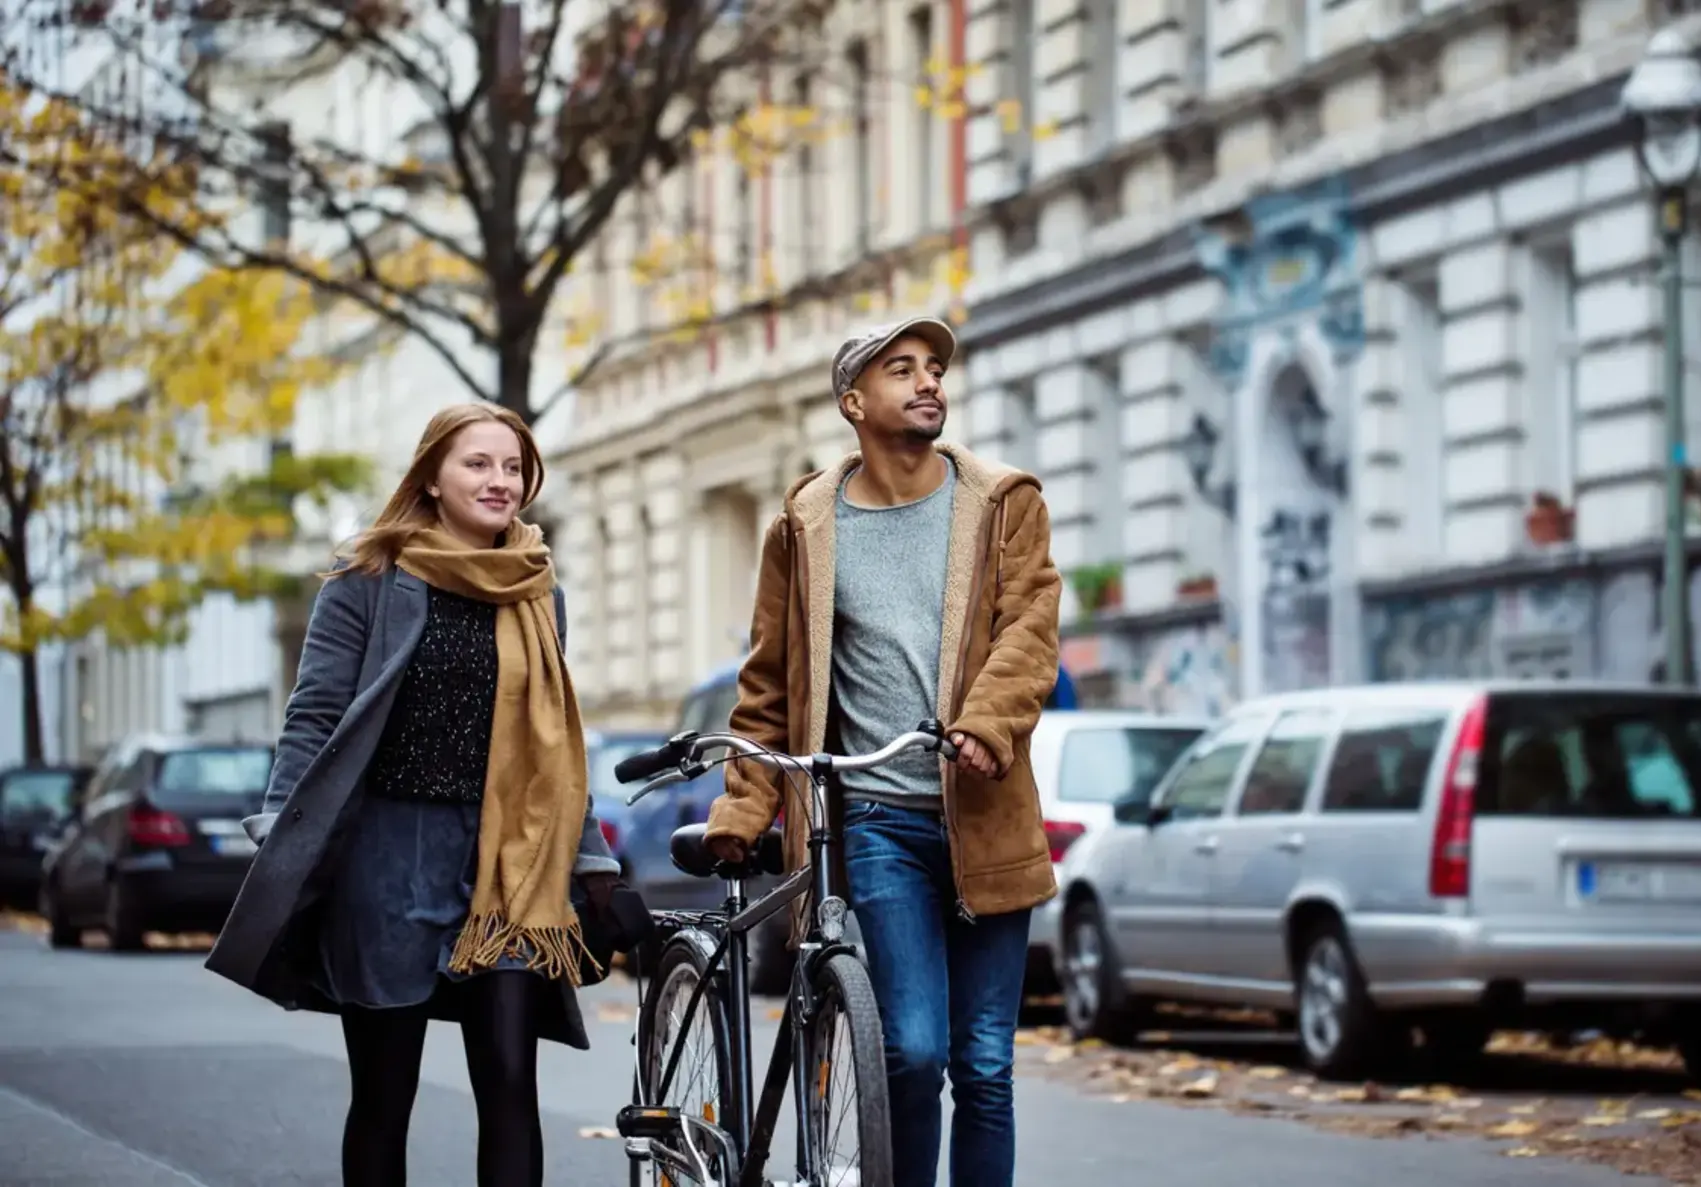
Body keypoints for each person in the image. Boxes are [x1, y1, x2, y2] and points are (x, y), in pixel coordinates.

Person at [205, 403, 623, 1187]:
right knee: (385, 1089)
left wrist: (592, 859)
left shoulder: (537, 588)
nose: (500, 481)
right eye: (478, 463)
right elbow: (318, 712)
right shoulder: (367, 580)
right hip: (388, 855)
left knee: (509, 1078)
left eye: (512, 467)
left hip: (509, 861)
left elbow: (555, 739)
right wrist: (281, 821)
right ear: (431, 476)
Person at [702, 317, 1063, 1187]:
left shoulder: (1004, 500)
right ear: (853, 402)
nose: (929, 381)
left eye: (934, 367)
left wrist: (986, 719)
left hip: (989, 816)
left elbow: (1031, 627)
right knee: (909, 1047)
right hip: (878, 819)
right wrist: (744, 807)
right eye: (902, 370)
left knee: (984, 1066)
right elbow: (770, 683)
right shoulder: (806, 525)